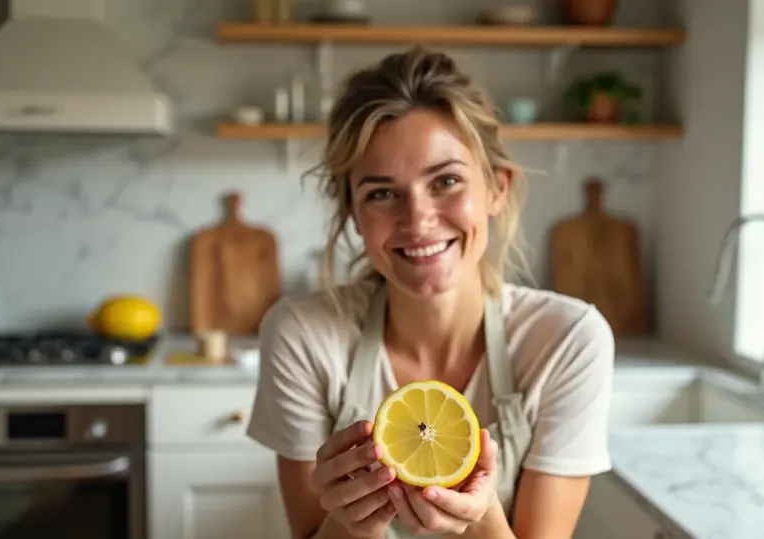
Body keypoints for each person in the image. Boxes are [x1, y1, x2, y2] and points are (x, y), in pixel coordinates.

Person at [246, 46, 614, 539]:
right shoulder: (302, 335)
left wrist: (482, 518)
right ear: (353, 213)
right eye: (381, 193)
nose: (418, 220)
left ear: (497, 189)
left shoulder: (567, 340)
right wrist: (348, 523)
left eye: (446, 181)